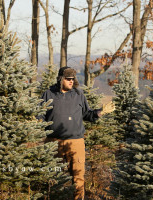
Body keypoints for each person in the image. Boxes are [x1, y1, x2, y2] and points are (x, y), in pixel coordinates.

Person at [40, 66, 115, 200]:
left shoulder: (78, 94)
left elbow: (87, 114)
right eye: (68, 78)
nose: (70, 81)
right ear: (60, 79)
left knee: (78, 178)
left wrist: (100, 112)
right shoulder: (48, 94)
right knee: (53, 178)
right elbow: (40, 115)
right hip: (53, 143)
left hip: (76, 143)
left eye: (72, 79)